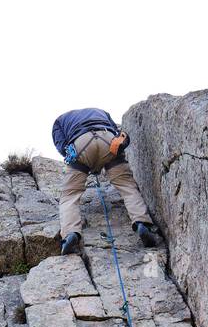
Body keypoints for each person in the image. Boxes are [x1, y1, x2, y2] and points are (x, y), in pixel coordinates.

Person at [51, 107, 160, 255]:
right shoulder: (101, 112)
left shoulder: (59, 120)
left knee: (70, 195)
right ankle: (142, 223)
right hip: (107, 139)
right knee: (127, 186)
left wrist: (83, 162)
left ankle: (71, 233)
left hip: (80, 143)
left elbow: (62, 146)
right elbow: (116, 132)